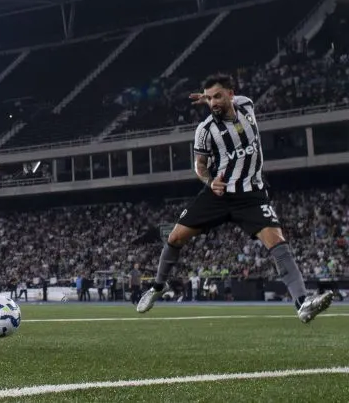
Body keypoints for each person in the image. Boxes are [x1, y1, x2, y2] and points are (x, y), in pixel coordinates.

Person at [137, 74, 333, 322]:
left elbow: (232, 102)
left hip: (251, 194)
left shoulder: (247, 105)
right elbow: (199, 165)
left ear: (231, 94)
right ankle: (158, 286)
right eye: (208, 99)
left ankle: (303, 303)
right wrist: (210, 181)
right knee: (175, 237)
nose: (212, 103)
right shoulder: (205, 130)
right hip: (218, 194)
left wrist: (212, 97)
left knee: (278, 243)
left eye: (217, 96)